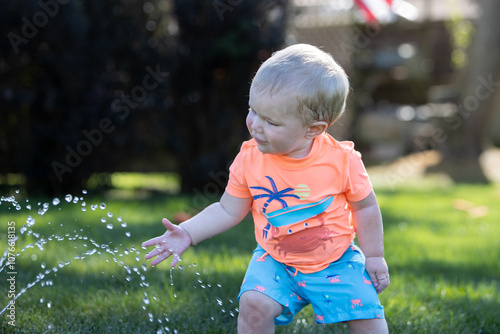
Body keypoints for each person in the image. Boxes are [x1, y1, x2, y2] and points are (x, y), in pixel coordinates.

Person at [142, 43, 390, 334]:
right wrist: (188, 232)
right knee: (253, 306)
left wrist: (374, 255)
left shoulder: (342, 161)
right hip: (276, 260)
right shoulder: (250, 158)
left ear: (314, 129)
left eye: (271, 121)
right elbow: (226, 209)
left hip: (336, 260)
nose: (255, 125)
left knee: (368, 319)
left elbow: (365, 206)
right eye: (253, 111)